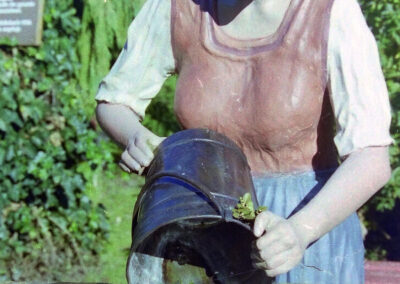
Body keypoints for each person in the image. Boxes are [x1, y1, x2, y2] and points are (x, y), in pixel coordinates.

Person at [95, 0, 393, 283]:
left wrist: (300, 231)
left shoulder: (330, 11)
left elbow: (371, 158)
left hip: (307, 227)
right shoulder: (179, 8)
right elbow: (114, 102)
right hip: (205, 230)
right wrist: (136, 137)